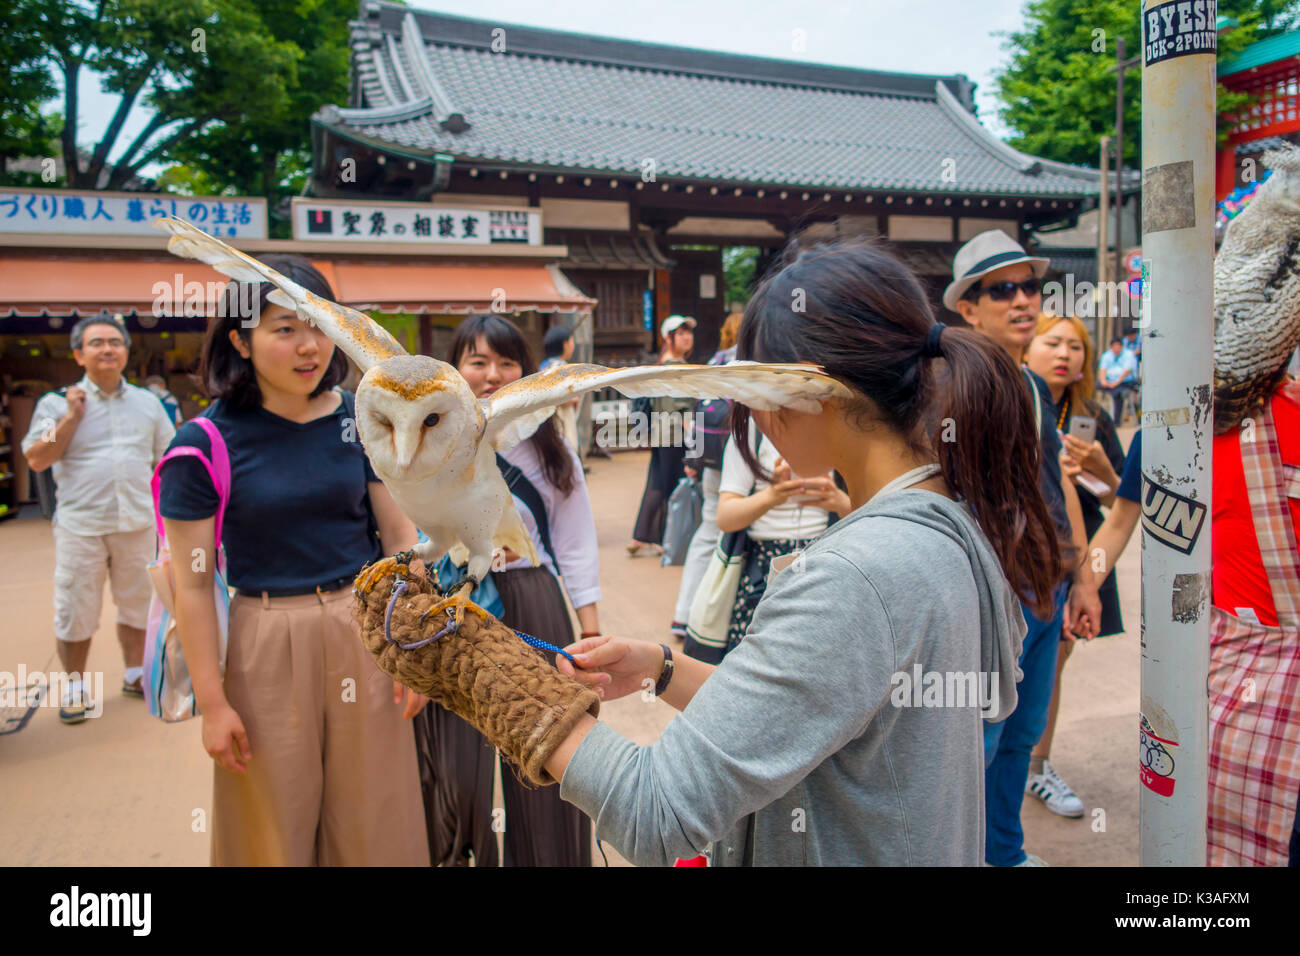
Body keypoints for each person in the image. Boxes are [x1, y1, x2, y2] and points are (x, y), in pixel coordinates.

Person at [381, 237, 1064, 865]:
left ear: (805, 387)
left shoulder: (854, 575)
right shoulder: (955, 527)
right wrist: (663, 668)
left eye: (753, 386)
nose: (752, 413)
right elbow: (816, 715)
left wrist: (489, 678)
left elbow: (657, 810)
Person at [156, 256, 429, 866]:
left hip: (366, 630)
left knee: (377, 818)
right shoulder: (202, 445)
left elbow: (398, 538)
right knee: (269, 826)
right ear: (240, 340)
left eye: (318, 325)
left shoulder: (360, 419)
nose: (309, 347)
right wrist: (214, 703)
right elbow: (194, 586)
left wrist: (411, 650)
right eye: (284, 329)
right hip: (263, 641)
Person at [412, 312, 602, 866]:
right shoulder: (423, 445)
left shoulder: (551, 449)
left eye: (506, 361)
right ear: (456, 370)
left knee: (545, 753)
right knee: (458, 761)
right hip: (453, 613)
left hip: (533, 607)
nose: (492, 374)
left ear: (524, 371)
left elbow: (575, 541)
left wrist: (589, 630)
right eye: (477, 361)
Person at [947, 229, 1101, 866]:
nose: (1022, 300)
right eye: (1002, 289)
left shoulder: (1037, 388)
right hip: (989, 598)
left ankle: (1003, 853)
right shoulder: (949, 387)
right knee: (975, 743)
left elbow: (1058, 486)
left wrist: (1084, 577)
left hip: (1047, 589)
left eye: (1030, 286)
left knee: (1021, 738)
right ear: (968, 307)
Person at [22, 314, 176, 723]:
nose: (107, 349)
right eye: (96, 343)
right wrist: (71, 417)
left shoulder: (148, 403)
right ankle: (74, 688)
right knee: (75, 606)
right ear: (79, 354)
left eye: (115, 342)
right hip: (81, 525)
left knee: (138, 604)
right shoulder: (55, 404)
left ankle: (135, 674)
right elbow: (37, 456)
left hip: (139, 522)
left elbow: (169, 458)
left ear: (126, 351)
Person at [1021, 312, 1126, 818]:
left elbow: (1119, 503)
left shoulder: (1095, 417)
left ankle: (1037, 766)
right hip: (1021, 554)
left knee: (1056, 662)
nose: (1065, 354)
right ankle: (1008, 762)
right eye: (1053, 342)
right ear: (1027, 348)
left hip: (1080, 555)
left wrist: (1102, 472)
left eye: (1076, 346)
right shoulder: (1012, 402)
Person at [670, 311, 744, 638]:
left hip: (711, 460)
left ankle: (684, 614)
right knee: (736, 534)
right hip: (741, 458)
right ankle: (717, 617)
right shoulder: (757, 363)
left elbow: (699, 412)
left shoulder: (716, 361)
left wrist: (693, 458)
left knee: (708, 532)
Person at [628, 314, 696, 556]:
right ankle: (663, 539)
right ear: (669, 338)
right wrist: (691, 430)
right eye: (681, 333)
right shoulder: (675, 367)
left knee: (658, 482)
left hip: (662, 433)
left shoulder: (663, 365)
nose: (688, 337)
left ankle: (642, 536)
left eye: (689, 332)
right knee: (672, 483)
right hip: (676, 434)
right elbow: (679, 404)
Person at [539, 324, 581, 453]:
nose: (573, 345)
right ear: (565, 344)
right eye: (571, 341)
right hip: (561, 418)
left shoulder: (542, 366)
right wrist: (574, 400)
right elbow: (558, 397)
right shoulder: (562, 368)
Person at [1097, 337, 1139, 423]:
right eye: (1114, 347)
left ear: (1121, 346)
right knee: (1097, 385)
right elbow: (1102, 369)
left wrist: (1116, 383)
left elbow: (1127, 370)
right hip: (1110, 382)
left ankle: (1116, 421)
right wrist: (1104, 381)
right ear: (1111, 347)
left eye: (1118, 346)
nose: (1116, 349)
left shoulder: (1129, 354)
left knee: (1117, 393)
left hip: (1124, 382)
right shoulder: (1106, 355)